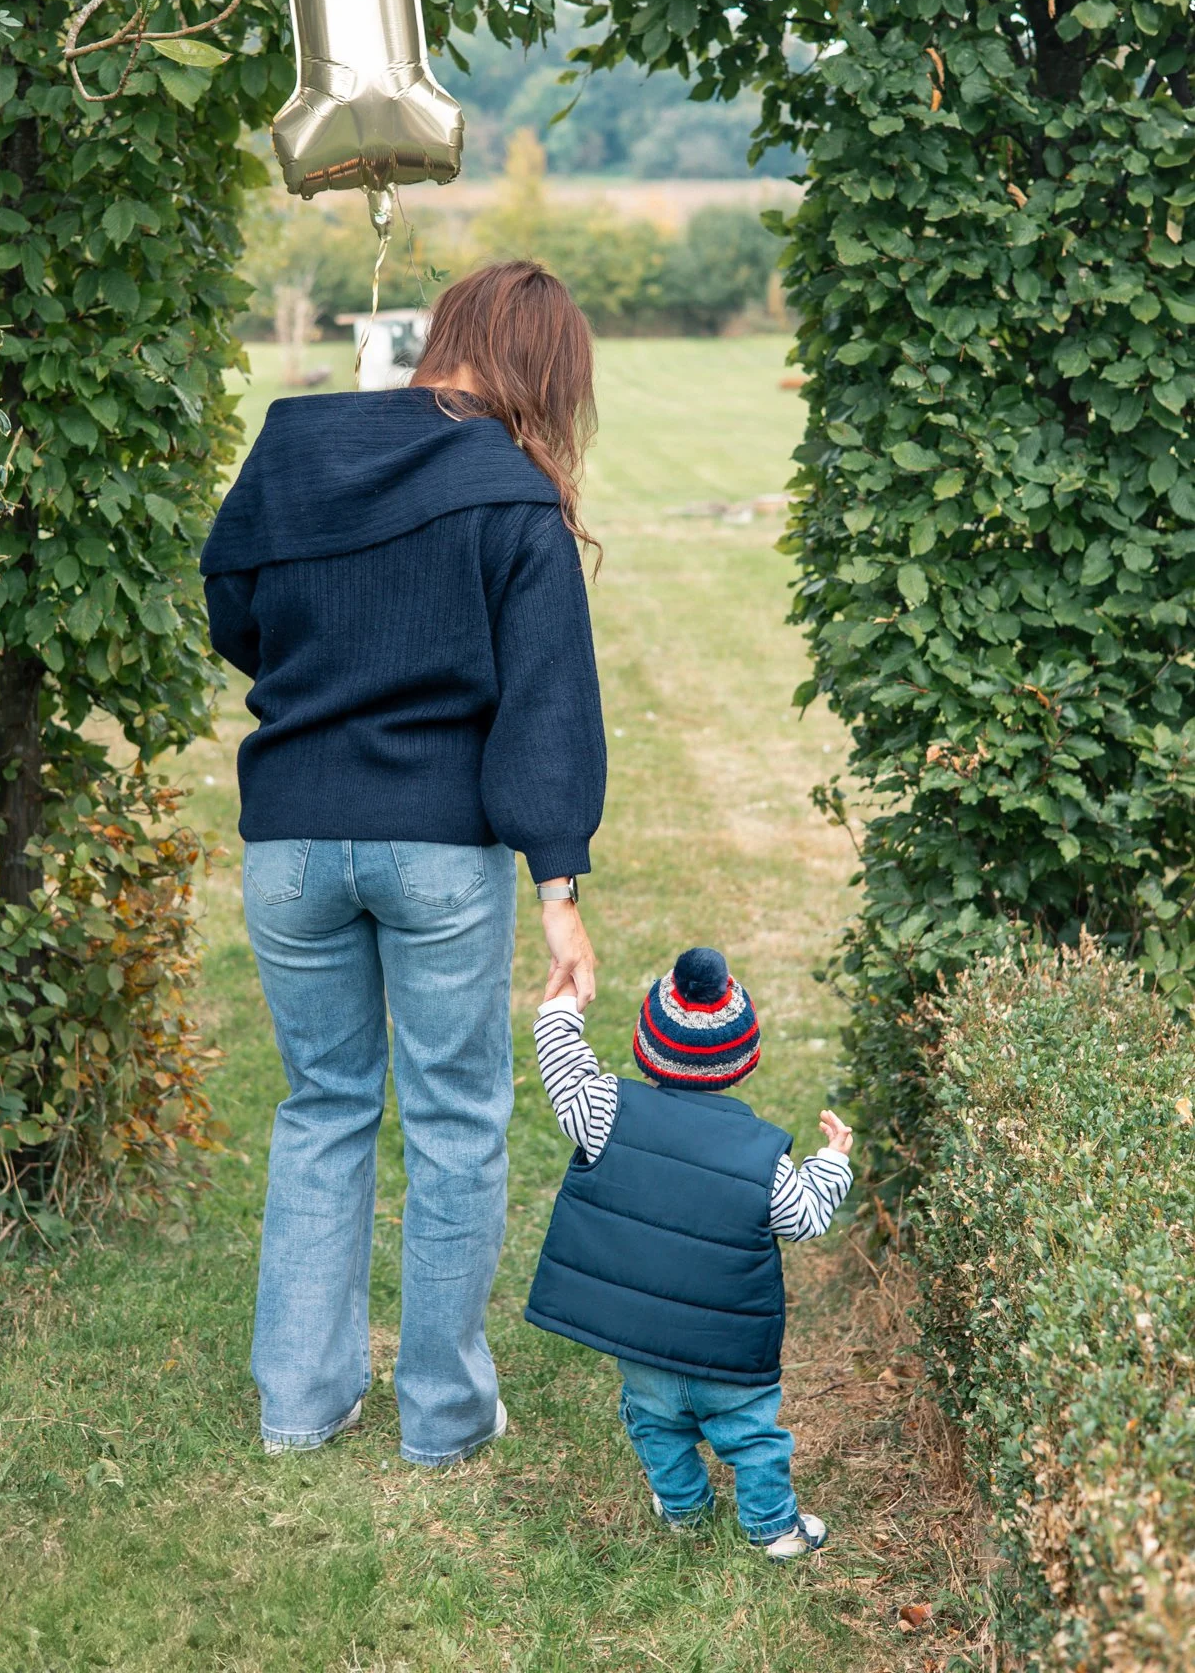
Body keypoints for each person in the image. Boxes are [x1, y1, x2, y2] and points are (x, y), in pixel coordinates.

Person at [200, 261, 606, 1468]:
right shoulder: (513, 493)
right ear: (542, 366)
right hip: (438, 849)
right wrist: (561, 894)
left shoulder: (291, 445)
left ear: (447, 335)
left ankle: (299, 1407)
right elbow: (547, 708)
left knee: (322, 1107)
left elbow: (232, 603)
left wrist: (320, 668)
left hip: (288, 843)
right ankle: (442, 1415)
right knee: (455, 1125)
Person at [525, 945, 853, 1555]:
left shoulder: (606, 1112)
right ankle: (773, 1529)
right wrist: (831, 1163)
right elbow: (805, 1217)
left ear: (646, 1047)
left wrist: (562, 1008)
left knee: (653, 1422)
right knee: (752, 1439)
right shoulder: (763, 1160)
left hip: (643, 1343)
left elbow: (565, 1074)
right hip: (729, 1356)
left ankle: (683, 1509)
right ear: (744, 1063)